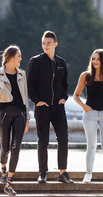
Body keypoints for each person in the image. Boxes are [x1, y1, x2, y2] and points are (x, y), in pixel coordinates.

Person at [27, 30, 73, 184]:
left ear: (55, 44)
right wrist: (37, 101)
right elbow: (29, 84)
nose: (45, 46)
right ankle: (42, 173)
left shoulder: (61, 63)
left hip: (58, 108)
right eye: (43, 43)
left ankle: (63, 172)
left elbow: (65, 84)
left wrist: (64, 98)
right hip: (42, 107)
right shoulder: (36, 61)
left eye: (48, 43)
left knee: (63, 138)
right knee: (43, 140)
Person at [73, 49, 103, 193]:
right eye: (93, 58)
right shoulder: (85, 76)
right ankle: (88, 173)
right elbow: (76, 95)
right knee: (91, 145)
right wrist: (84, 107)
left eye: (98, 59)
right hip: (90, 114)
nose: (95, 61)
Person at [0, 45, 30, 195]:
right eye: (19, 56)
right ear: (11, 57)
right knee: (5, 147)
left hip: (20, 113)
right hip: (4, 113)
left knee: (16, 147)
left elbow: (25, 97)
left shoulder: (22, 74)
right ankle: (3, 171)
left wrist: (27, 118)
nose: (21, 58)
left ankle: (9, 183)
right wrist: (0, 92)